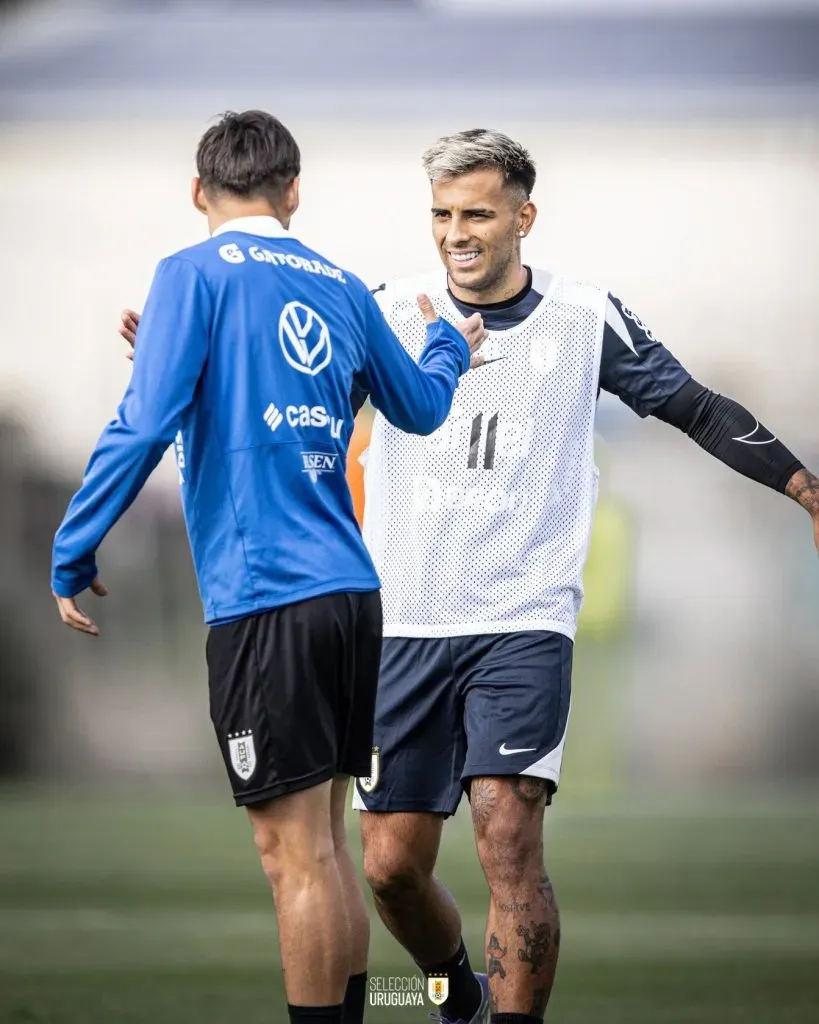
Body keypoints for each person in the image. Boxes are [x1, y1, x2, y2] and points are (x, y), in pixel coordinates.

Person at [119, 128, 819, 1024]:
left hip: (523, 621)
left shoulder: (583, 316)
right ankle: (455, 997)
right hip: (401, 624)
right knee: (389, 870)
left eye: (478, 213)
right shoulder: (383, 307)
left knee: (505, 832)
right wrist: (178, 370)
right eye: (443, 214)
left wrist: (800, 486)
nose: (457, 231)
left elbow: (695, 407)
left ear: (523, 217)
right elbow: (278, 399)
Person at [51, 110, 486, 1024]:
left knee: (291, 856)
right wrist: (447, 343)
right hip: (348, 598)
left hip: (267, 600)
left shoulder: (189, 272)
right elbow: (416, 407)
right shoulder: (336, 284)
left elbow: (143, 420)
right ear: (293, 193)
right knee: (321, 846)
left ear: (198, 193)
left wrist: (73, 546)